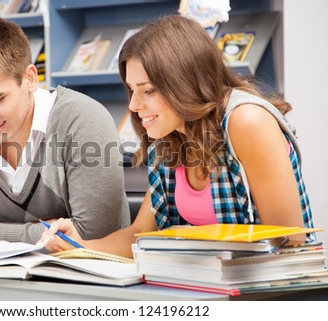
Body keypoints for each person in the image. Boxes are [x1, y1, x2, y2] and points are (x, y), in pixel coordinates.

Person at [39, 15, 315, 257]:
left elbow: (290, 240)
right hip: (204, 285)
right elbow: (138, 234)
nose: (134, 105)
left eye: (148, 91)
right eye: (131, 90)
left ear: (184, 83)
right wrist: (81, 245)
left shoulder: (246, 121)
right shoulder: (170, 137)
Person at [0, 16, 130, 244]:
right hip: (2, 277)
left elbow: (93, 236)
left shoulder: (83, 120)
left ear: (30, 79)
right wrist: (42, 234)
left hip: (83, 277)